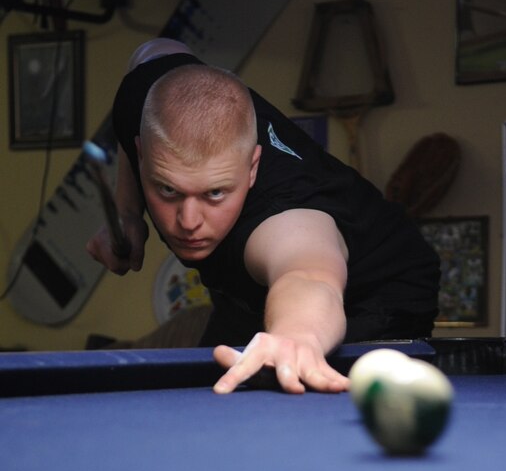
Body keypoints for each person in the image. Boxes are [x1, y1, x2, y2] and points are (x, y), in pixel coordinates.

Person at [87, 38, 440, 395]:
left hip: (374, 292)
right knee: (211, 393)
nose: (189, 221)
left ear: (252, 168)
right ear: (142, 153)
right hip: (248, 297)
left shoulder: (283, 219)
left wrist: (296, 336)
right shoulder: (142, 95)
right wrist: (127, 211)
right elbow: (154, 49)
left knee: (296, 388)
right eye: (168, 190)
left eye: (215, 193)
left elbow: (309, 274)